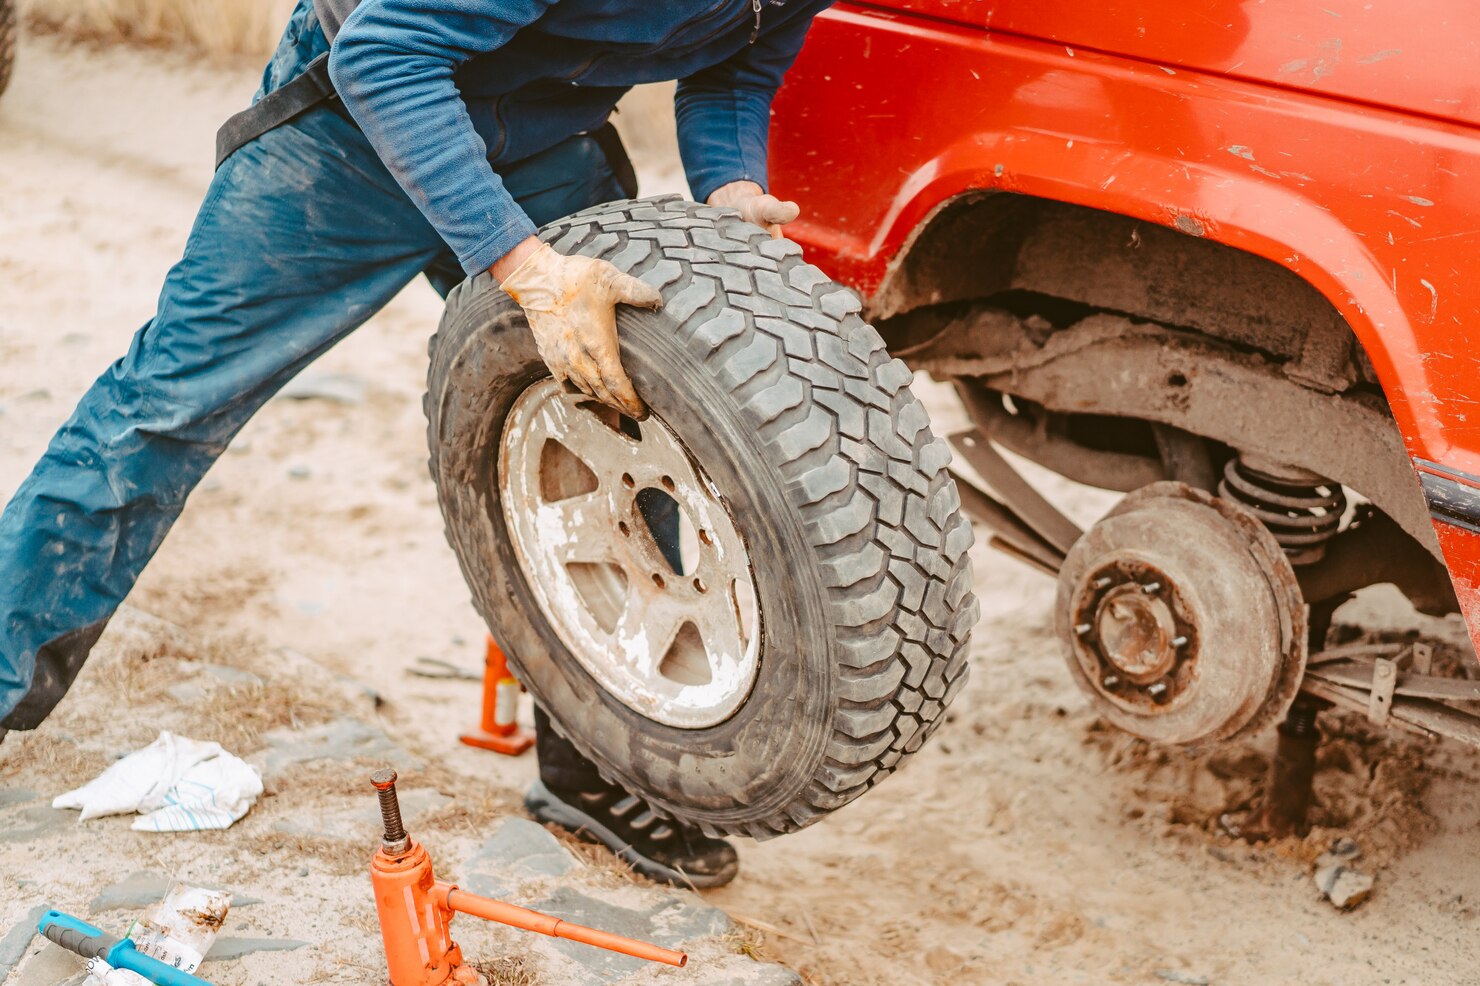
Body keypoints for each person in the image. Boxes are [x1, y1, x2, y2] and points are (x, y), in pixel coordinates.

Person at [0, 0, 831, 889]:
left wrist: (729, 186)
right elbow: (387, 55)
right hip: (356, 131)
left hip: (544, 134)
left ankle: (592, 768)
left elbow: (735, 69)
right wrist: (524, 268)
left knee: (624, 421)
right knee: (165, 409)